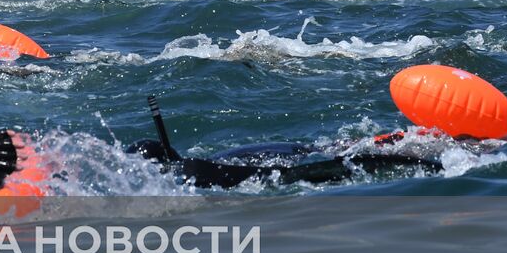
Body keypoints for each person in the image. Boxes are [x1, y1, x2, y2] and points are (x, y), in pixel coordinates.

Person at [128, 96, 440, 189]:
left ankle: (429, 151)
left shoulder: (192, 173)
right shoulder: (202, 160)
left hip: (287, 164)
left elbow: (290, 176)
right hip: (294, 148)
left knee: (356, 158)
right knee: (359, 146)